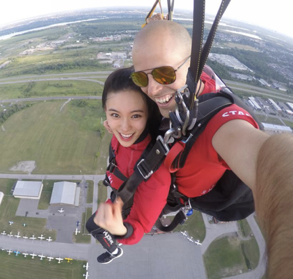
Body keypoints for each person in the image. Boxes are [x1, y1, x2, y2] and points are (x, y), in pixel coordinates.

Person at [127, 20, 291, 278]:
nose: (152, 88)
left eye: (164, 74)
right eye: (140, 77)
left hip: (206, 198)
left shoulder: (222, 127)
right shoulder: (191, 83)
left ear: (193, 66)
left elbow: (272, 161)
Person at [86, 67, 170, 264]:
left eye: (135, 116)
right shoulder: (122, 135)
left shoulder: (155, 169)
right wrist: (113, 125)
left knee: (94, 226)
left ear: (149, 114)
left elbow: (140, 226)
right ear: (106, 113)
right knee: (92, 225)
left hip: (127, 207)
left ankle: (115, 250)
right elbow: (121, 133)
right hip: (119, 196)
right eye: (115, 115)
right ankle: (112, 247)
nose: (124, 128)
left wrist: (121, 230)